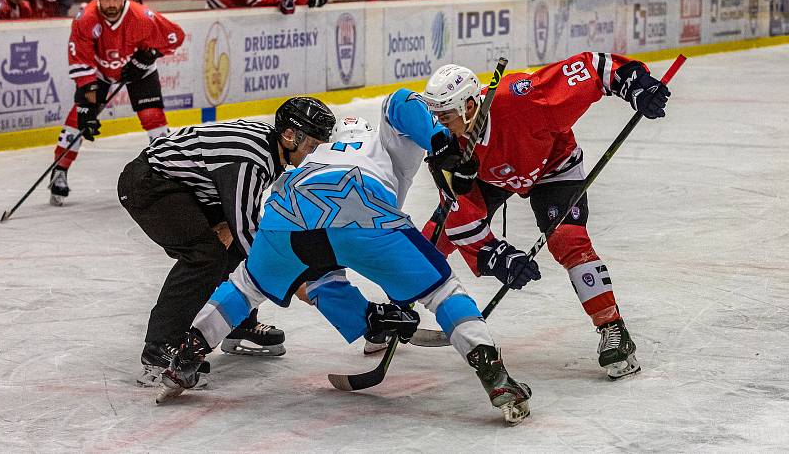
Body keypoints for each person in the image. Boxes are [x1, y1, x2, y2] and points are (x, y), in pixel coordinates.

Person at [155, 92, 542, 426]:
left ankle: (186, 356)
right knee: (442, 290)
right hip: (362, 208)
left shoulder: (311, 154)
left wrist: (365, 316)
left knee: (245, 286)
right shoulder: (386, 144)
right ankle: (494, 374)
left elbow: (321, 276)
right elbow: (401, 100)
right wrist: (440, 140)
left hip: (287, 213)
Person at [419, 53, 671, 380]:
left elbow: (592, 68)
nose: (439, 124)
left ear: (469, 106)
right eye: (435, 115)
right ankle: (399, 303)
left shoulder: (524, 98)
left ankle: (613, 329)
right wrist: (499, 257)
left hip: (552, 165)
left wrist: (635, 84)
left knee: (568, 240)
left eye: (445, 115)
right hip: (490, 175)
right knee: (436, 232)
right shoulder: (447, 147)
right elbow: (459, 218)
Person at [118, 97, 336, 386]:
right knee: (204, 256)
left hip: (185, 185)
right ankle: (160, 347)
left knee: (231, 245)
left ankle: (237, 323)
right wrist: (294, 284)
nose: (314, 155)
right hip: (149, 185)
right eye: (312, 147)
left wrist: (232, 225)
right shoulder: (251, 160)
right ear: (289, 136)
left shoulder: (271, 150)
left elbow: (242, 218)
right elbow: (248, 233)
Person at [49, 0, 184, 207]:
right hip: (100, 72)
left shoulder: (142, 17)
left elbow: (175, 36)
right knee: (78, 119)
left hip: (139, 72)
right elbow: (82, 63)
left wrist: (148, 56)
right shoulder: (85, 19)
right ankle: (59, 170)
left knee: (153, 118)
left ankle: (169, 173)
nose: (111, 4)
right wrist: (87, 108)